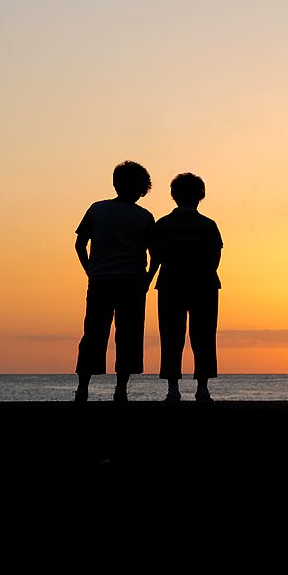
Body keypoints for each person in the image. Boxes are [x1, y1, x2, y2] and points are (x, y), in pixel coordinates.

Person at [74, 161, 155, 403]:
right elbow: (156, 254)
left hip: (101, 280)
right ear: (142, 189)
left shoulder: (97, 209)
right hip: (132, 283)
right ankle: (121, 389)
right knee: (128, 336)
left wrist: (90, 270)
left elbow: (80, 245)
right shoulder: (144, 216)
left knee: (93, 334)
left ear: (115, 183)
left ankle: (83, 389)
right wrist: (147, 279)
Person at [149, 172, 222, 403]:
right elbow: (215, 259)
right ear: (201, 196)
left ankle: (173, 389)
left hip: (171, 284)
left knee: (171, 337)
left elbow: (156, 257)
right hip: (205, 285)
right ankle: (202, 388)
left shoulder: (163, 224)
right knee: (204, 337)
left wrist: (148, 279)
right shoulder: (209, 225)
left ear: (174, 195)